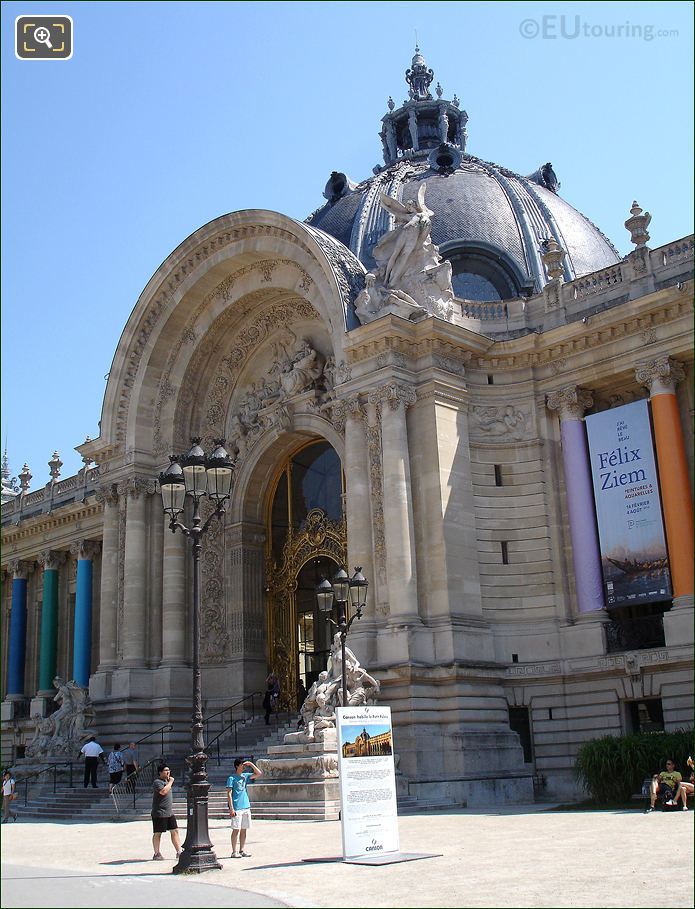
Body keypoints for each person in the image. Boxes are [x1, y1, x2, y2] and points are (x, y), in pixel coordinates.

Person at [226, 758, 262, 858]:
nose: (244, 766)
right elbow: (229, 793)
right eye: (242, 765)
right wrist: (231, 808)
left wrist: (251, 764)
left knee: (244, 829)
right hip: (237, 807)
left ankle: (242, 850)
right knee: (236, 829)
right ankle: (234, 851)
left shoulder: (245, 776)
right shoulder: (231, 778)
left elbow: (259, 773)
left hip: (246, 806)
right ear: (237, 766)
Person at [151, 764, 182, 861]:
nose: (168, 772)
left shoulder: (167, 782)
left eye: (169, 770)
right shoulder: (157, 782)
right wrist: (171, 781)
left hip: (169, 812)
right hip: (159, 812)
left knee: (175, 830)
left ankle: (179, 851)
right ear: (160, 772)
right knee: (158, 833)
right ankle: (157, 853)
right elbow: (163, 792)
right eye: (165, 770)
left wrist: (169, 782)